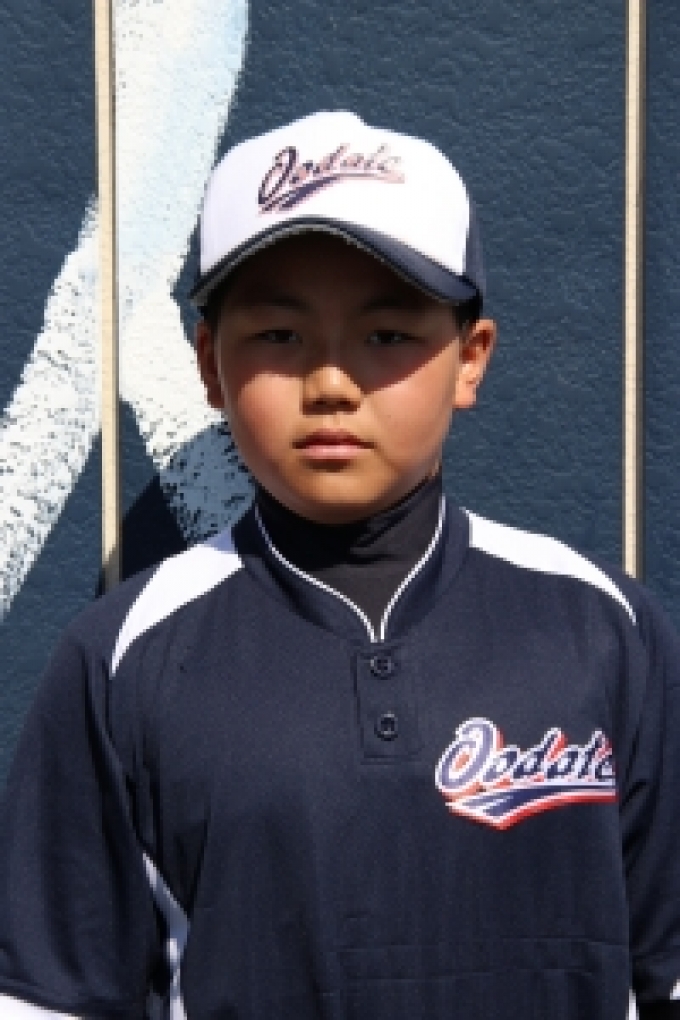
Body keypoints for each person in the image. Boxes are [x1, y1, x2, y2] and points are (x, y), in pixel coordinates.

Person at [0, 111, 678, 1020]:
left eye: (386, 335)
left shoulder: (603, 629)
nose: (330, 383)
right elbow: (49, 999)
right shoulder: (123, 658)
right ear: (209, 365)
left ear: (470, 359)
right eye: (279, 336)